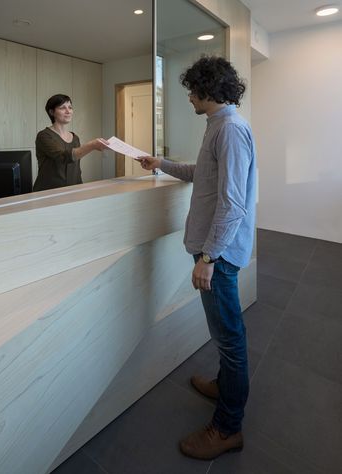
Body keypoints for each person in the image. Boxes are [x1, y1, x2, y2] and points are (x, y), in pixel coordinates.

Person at [139, 56, 256, 460]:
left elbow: (232, 203)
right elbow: (202, 175)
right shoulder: (218, 126)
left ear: (208, 91)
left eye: (191, 89)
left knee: (230, 337)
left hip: (218, 254)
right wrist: (162, 164)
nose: (188, 96)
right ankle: (226, 386)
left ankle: (227, 428)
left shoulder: (231, 130)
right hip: (214, 250)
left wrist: (208, 256)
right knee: (226, 334)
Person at [33, 94, 107, 192]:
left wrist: (80, 189)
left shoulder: (75, 138)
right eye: (62, 108)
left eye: (70, 107)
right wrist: (92, 145)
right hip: (48, 192)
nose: (68, 111)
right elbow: (63, 157)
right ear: (52, 112)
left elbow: (76, 170)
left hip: (73, 191)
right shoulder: (44, 136)